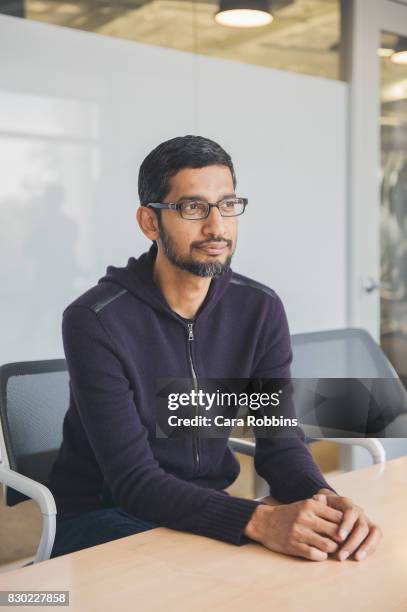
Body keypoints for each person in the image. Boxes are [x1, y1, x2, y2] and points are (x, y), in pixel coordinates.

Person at [48, 135, 382, 562]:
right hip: (103, 518)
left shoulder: (258, 309)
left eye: (227, 205)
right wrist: (259, 521)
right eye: (193, 208)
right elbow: (132, 481)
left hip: (200, 508)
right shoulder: (96, 319)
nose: (217, 227)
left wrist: (325, 501)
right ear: (150, 222)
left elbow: (279, 441)